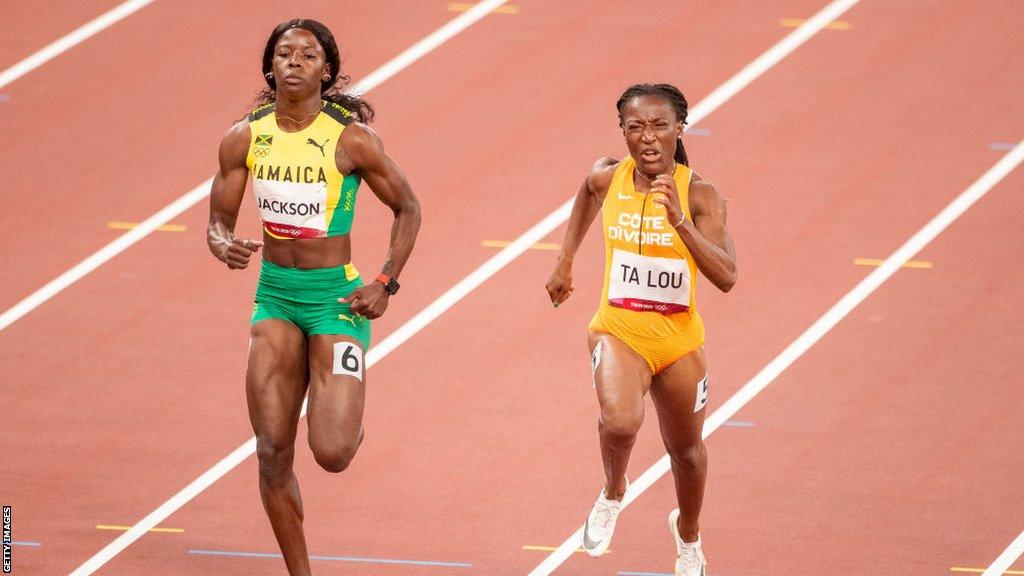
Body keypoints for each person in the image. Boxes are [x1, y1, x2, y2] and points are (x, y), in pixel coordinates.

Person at [206, 19, 420, 576]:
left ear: (328, 70)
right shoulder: (244, 137)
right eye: (284, 53)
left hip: (336, 301)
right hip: (274, 297)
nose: (294, 62)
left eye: (307, 54)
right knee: (272, 452)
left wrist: (385, 281)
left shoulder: (350, 139)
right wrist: (222, 242)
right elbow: (218, 220)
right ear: (270, 67)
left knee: (332, 453)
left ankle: (342, 409)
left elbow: (408, 207)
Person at [546, 83, 736, 576]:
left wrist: (681, 223)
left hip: (677, 342)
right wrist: (565, 260)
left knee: (687, 452)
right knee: (620, 422)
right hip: (618, 329)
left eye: (658, 126)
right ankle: (613, 493)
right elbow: (587, 192)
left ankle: (688, 537)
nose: (647, 138)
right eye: (636, 127)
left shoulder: (700, 195)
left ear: (679, 130)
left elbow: (727, 277)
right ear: (623, 132)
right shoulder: (610, 178)